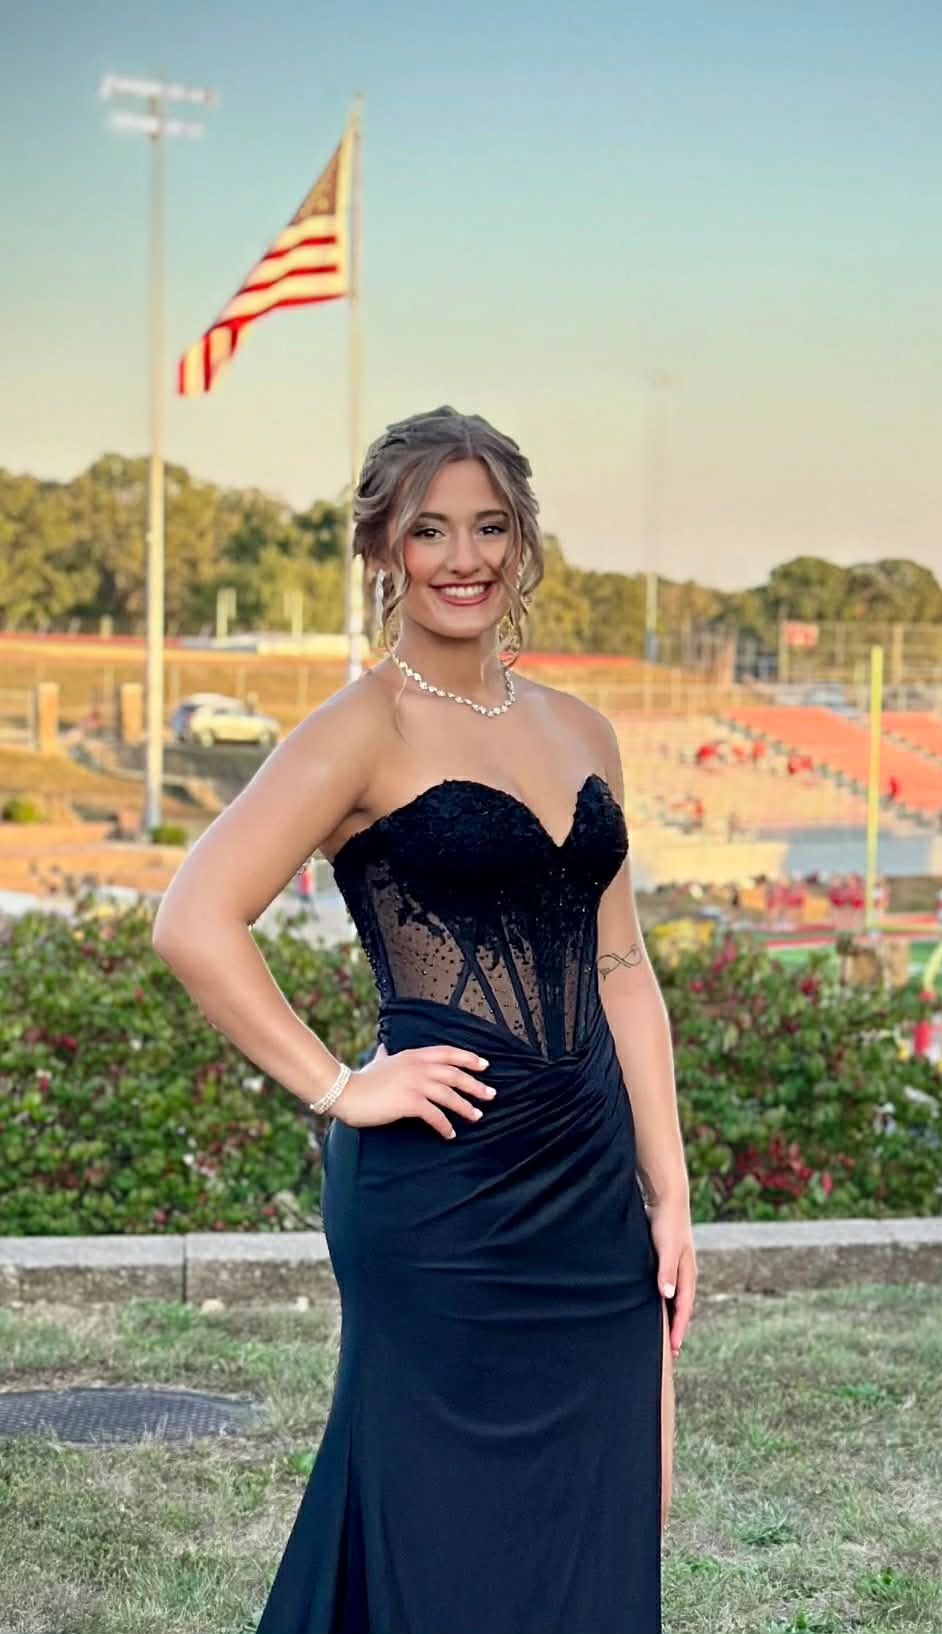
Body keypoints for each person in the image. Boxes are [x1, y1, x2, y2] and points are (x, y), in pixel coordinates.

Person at [151, 407, 693, 1633]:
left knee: (596, 1515)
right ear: (382, 549)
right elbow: (194, 919)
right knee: (443, 1536)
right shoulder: (358, 729)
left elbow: (619, 964)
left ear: (524, 538)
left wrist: (668, 1190)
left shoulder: (580, 728)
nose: (465, 556)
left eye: (490, 525)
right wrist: (341, 1086)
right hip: (442, 1191)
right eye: (430, 528)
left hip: (592, 1180)